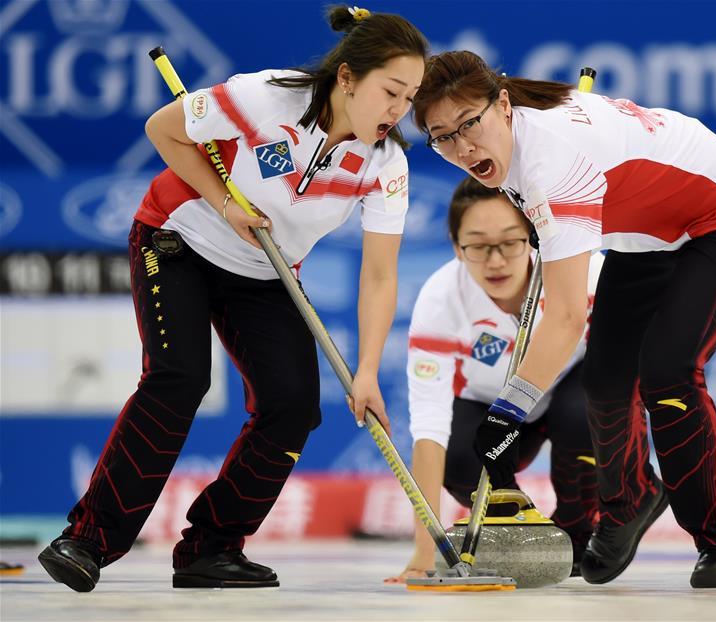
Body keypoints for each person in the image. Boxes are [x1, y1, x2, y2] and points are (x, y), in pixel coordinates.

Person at [37, 6, 427, 592]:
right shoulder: (265, 96)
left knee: (293, 405)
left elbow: (379, 274)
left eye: (410, 98)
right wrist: (225, 204)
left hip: (264, 271)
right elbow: (163, 130)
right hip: (179, 238)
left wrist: (367, 368)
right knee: (179, 377)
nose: (399, 112)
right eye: (391, 92)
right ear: (347, 77)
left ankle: (210, 547)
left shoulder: (385, 163)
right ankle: (88, 539)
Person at [411, 51, 716, 589]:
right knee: (605, 383)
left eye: (471, 124)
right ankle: (629, 501)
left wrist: (509, 410)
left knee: (669, 374)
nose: (462, 148)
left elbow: (562, 318)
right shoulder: (516, 148)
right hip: (644, 236)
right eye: (442, 137)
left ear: (504, 104)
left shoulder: (552, 165)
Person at [385, 177, 604, 584]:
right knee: (455, 452)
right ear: (456, 247)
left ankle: (578, 527)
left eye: (509, 242)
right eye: (478, 246)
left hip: (567, 395)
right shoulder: (439, 299)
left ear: (533, 238)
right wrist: (422, 551)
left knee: (592, 409)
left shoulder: (584, 272)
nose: (497, 260)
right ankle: (514, 516)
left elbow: (627, 360)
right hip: (492, 419)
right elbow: (429, 429)